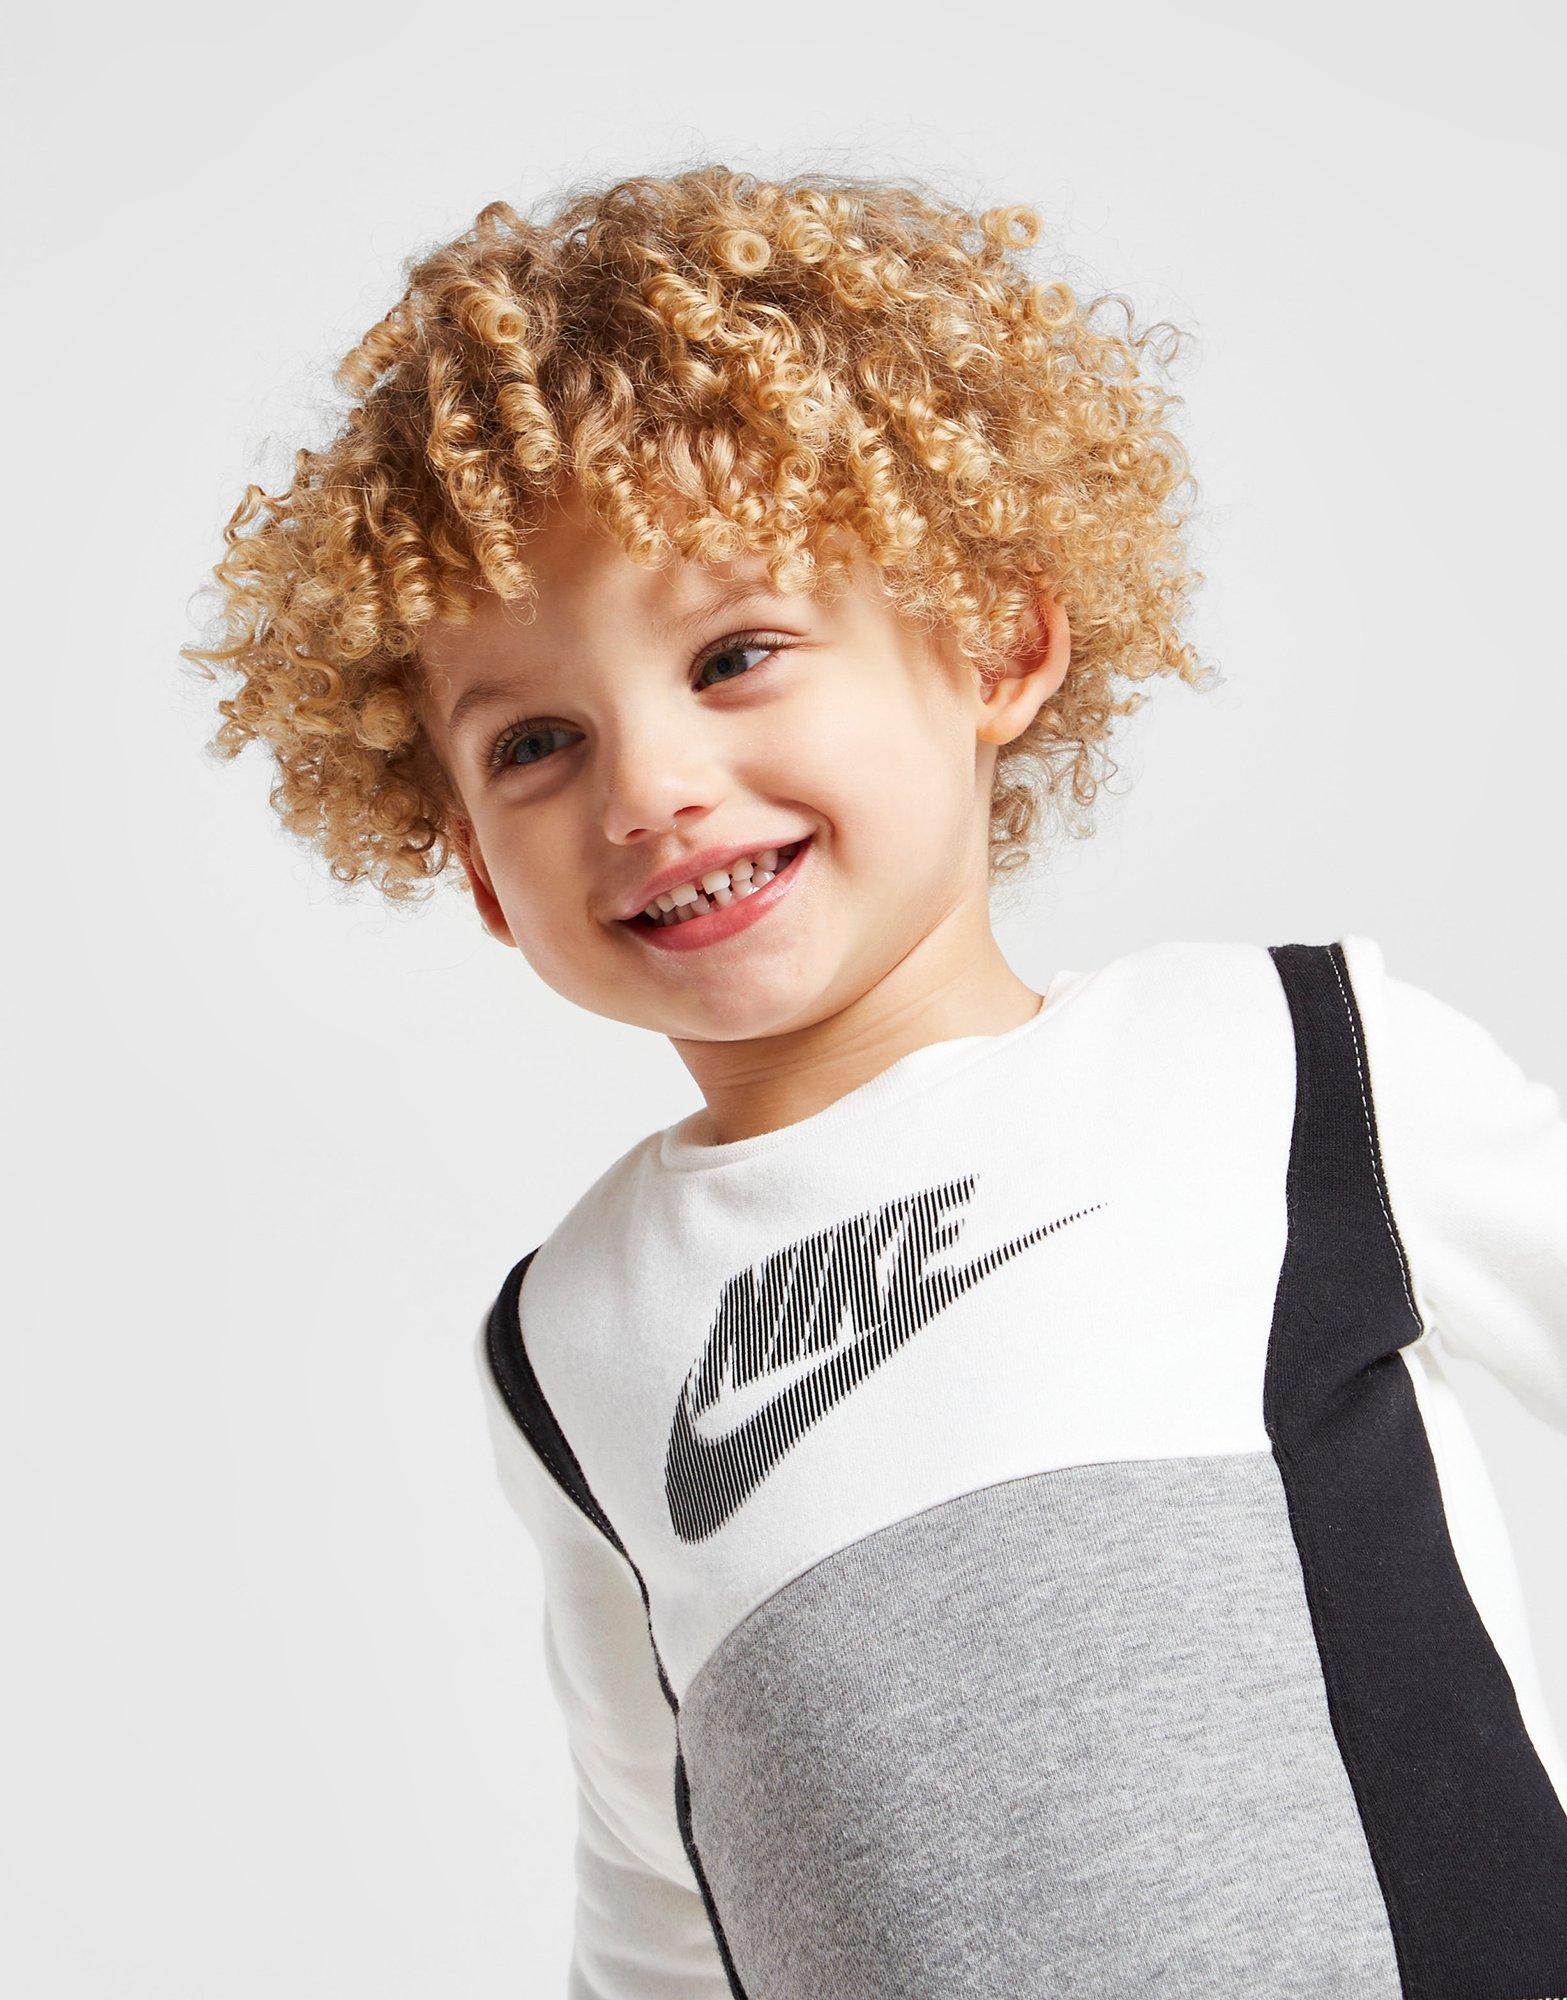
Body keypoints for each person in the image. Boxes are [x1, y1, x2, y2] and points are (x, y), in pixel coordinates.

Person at [183, 165, 1567, 1995]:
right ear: (477, 875)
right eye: (537, 744)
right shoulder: (571, 1339)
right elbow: (658, 1876)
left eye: (736, 655)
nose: (648, 786)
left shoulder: (1285, 1065)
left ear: (995, 644)